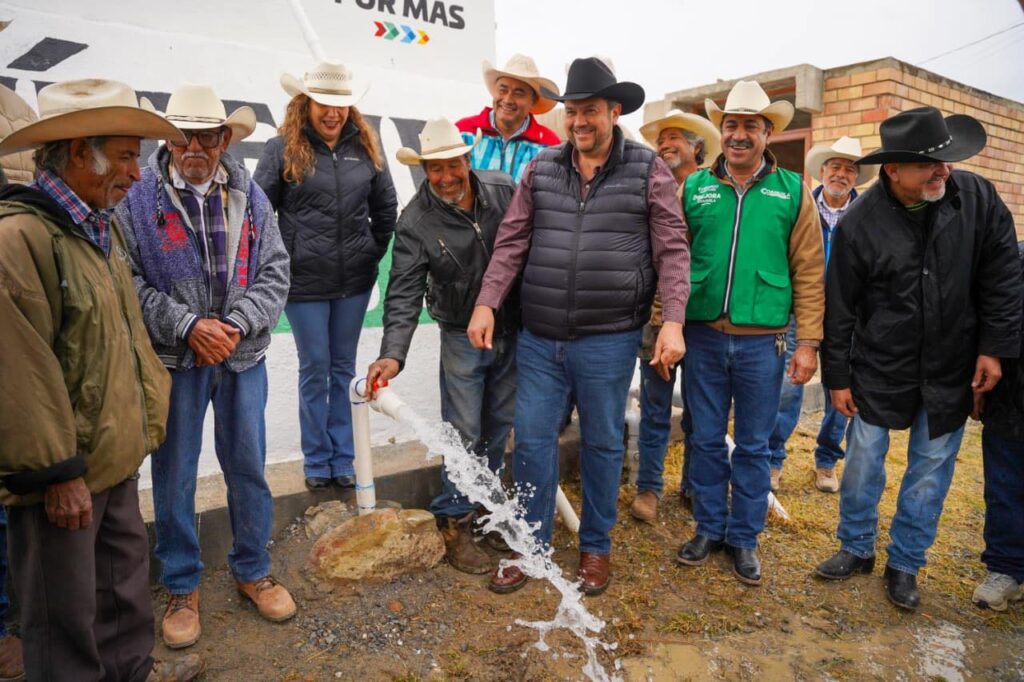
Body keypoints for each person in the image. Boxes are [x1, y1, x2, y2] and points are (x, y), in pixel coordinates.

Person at [0, 78, 202, 682]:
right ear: (73, 151)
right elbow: (19, 375)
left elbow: (124, 337)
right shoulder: (19, 239)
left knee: (122, 595)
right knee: (64, 619)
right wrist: (58, 473)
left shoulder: (99, 226)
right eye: (122, 155)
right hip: (63, 475)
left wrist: (149, 416)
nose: (137, 173)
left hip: (112, 457)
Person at [468, 57, 690, 596]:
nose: (579, 121)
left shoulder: (646, 169)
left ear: (614, 111)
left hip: (609, 339)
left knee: (602, 445)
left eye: (590, 110)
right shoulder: (542, 169)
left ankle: (595, 548)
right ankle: (530, 546)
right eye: (572, 111)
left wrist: (674, 321)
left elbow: (672, 249)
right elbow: (512, 241)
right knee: (533, 443)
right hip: (541, 339)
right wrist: (487, 302)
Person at [816, 106, 1022, 611]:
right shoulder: (860, 223)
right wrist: (837, 377)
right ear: (893, 170)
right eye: (931, 165)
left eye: (947, 161)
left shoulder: (977, 197)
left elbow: (1003, 276)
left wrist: (995, 347)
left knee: (930, 470)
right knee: (863, 461)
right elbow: (839, 307)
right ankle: (856, 546)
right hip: (880, 365)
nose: (944, 171)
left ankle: (905, 562)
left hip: (953, 364)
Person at [116, 84, 294, 649]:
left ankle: (252, 570)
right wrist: (189, 325)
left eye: (206, 135)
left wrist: (236, 325)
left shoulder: (250, 193)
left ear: (224, 139)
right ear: (167, 138)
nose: (194, 145)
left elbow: (275, 272)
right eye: (182, 134)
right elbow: (128, 281)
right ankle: (181, 586)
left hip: (241, 357)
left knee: (248, 467)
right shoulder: (138, 199)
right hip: (176, 360)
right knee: (175, 476)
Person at [675, 80, 825, 586]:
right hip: (702, 336)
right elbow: (672, 262)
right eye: (732, 125)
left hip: (766, 342)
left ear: (767, 133)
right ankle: (709, 528)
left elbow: (809, 268)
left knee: (756, 446)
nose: (739, 135)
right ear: (721, 132)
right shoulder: (694, 187)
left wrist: (808, 342)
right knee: (707, 438)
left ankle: (744, 538)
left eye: (750, 126)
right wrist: (665, 325)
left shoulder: (792, 192)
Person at [365, 118, 517, 574]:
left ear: (467, 160)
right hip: (459, 334)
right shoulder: (415, 220)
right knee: (463, 431)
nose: (445, 177)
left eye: (452, 165)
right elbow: (404, 291)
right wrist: (393, 352)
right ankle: (454, 520)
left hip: (513, 326)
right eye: (434, 169)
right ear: (425, 170)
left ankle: (490, 510)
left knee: (499, 426)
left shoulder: (504, 190)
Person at [255, 61, 398, 490]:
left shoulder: (366, 148)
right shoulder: (281, 148)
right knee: (315, 368)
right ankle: (317, 460)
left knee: (343, 368)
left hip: (353, 283)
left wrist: (369, 253)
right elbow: (259, 214)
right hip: (302, 285)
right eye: (323, 103)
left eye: (340, 104)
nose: (332, 112)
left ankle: (344, 458)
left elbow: (386, 209)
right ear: (306, 103)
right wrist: (283, 261)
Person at [767, 136, 873, 493]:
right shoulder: (802, 207)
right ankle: (773, 460)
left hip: (848, 316)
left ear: (856, 177)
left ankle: (827, 460)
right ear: (823, 171)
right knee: (787, 387)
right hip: (801, 311)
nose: (841, 174)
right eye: (835, 167)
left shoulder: (867, 216)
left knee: (840, 392)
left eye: (849, 169)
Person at [630, 110, 720, 522]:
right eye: (660, 140)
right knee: (654, 406)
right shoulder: (650, 184)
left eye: (673, 139)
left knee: (702, 411)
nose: (664, 146)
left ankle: (693, 485)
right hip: (655, 315)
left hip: (701, 318)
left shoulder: (714, 189)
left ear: (696, 147)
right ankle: (649, 488)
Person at [972, 240, 1024, 612]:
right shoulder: (1012, 260)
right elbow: (986, 320)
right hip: (1010, 396)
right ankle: (1005, 571)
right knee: (1004, 486)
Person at [455, 54, 561, 183]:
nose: (508, 99)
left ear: (533, 101)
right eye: (503, 90)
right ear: (494, 92)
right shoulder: (462, 132)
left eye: (518, 93)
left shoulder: (549, 146)